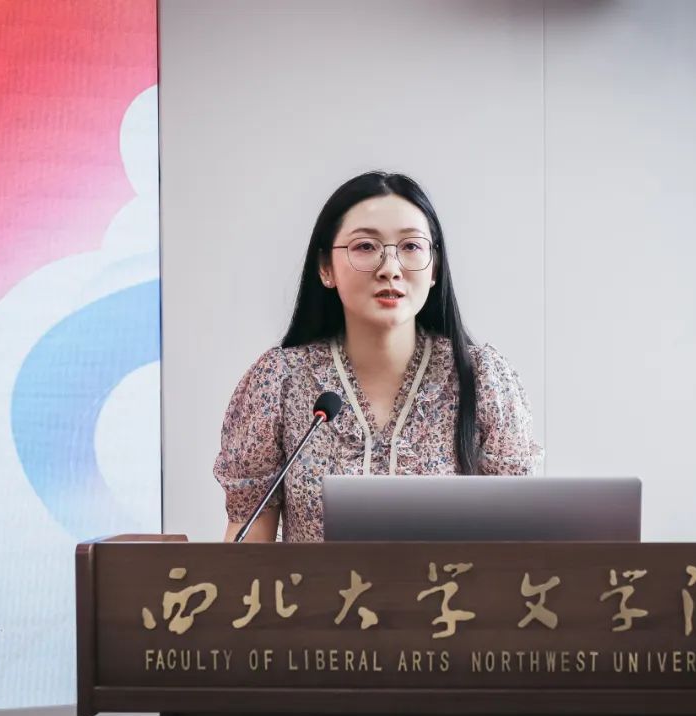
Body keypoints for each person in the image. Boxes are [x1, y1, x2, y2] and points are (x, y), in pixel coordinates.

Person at [215, 171, 542, 542]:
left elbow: (518, 540)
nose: (390, 268)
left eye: (411, 246)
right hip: (317, 584)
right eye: (366, 246)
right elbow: (248, 548)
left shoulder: (483, 378)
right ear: (325, 267)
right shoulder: (279, 381)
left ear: (434, 267)